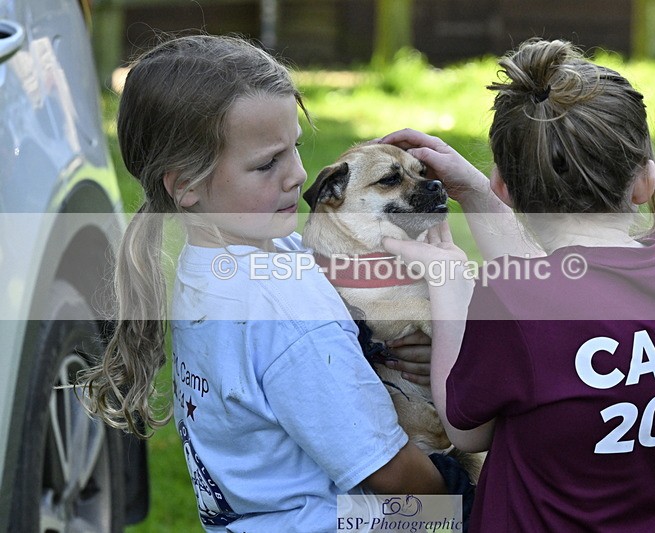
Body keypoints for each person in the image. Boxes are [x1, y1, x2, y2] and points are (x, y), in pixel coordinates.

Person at [78, 34, 448, 532]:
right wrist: (465, 495)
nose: (297, 175)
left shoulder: (212, 263)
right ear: (185, 185)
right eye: (267, 163)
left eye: (294, 147)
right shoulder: (287, 307)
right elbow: (396, 478)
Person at [381, 38, 655, 532]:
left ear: (505, 186)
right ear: (643, 183)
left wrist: (448, 277)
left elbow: (465, 430)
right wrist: (474, 192)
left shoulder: (515, 301)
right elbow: (558, 288)